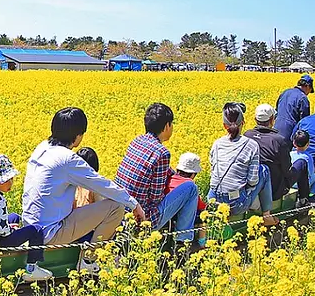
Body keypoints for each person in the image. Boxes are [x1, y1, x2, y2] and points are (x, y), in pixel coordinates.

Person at [22, 108, 144, 260]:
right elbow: (101, 184)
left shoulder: (42, 148)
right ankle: (89, 259)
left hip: (30, 228)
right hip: (50, 234)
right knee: (116, 207)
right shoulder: (67, 158)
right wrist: (134, 204)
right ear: (78, 135)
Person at [116, 102, 198, 240]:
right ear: (167, 126)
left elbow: (166, 171)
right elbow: (156, 198)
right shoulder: (162, 153)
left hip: (120, 214)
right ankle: (183, 242)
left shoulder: (137, 141)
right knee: (191, 188)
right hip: (144, 219)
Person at [0, 154, 49, 282]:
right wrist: (12, 230)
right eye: (5, 180)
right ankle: (32, 267)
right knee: (35, 230)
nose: (10, 183)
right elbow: (2, 231)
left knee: (13, 217)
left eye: (11, 179)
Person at [207, 103, 276, 226]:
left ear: (224, 125)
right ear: (243, 122)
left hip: (213, 201)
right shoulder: (251, 145)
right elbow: (253, 180)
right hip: (235, 205)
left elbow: (213, 169)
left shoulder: (217, 144)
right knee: (264, 170)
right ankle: (267, 215)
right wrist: (247, 192)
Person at [244, 103, 295, 202]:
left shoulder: (247, 135)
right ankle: (304, 200)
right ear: (272, 119)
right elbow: (287, 169)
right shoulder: (279, 140)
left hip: (250, 188)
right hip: (274, 191)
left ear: (255, 119)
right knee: (301, 164)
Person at [167, 152, 207, 245]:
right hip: (181, 216)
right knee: (203, 219)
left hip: (169, 215)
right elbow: (200, 205)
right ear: (193, 174)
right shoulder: (189, 186)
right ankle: (202, 244)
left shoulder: (171, 179)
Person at [274, 74, 314, 142]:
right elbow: (304, 121)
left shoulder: (285, 92)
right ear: (307, 86)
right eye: (310, 90)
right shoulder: (303, 98)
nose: (308, 93)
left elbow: (276, 110)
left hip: (276, 130)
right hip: (290, 134)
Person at [290, 130, 315, 199]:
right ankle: (312, 195)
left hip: (291, 182)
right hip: (302, 184)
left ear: (294, 143)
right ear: (308, 144)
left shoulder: (290, 154)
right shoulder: (308, 157)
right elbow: (311, 173)